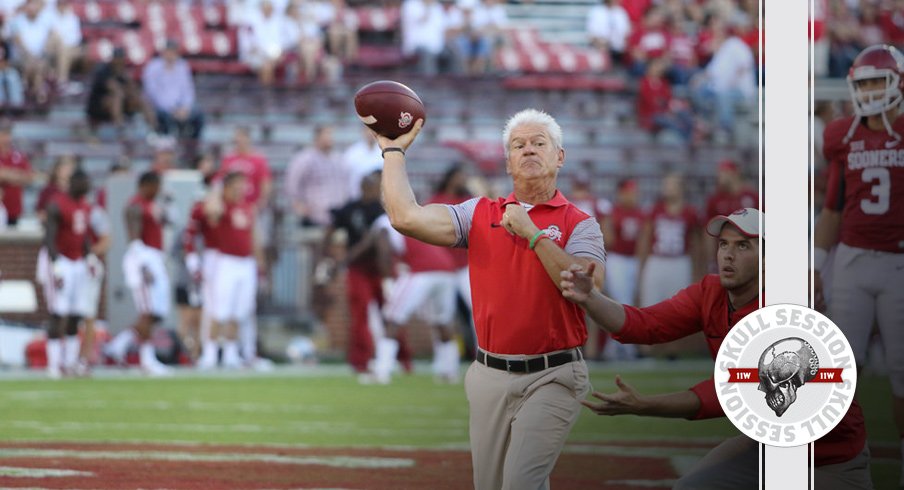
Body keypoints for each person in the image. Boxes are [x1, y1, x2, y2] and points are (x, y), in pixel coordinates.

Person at [562, 208, 873, 489]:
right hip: (768, 446)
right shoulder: (710, 291)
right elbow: (642, 325)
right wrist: (590, 297)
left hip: (829, 456)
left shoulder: (785, 308)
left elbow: (724, 396)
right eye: (724, 244)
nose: (728, 254)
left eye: (743, 246)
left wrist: (644, 404)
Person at [375, 108, 605, 489]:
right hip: (489, 374)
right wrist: (393, 152)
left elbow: (584, 288)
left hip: (554, 373)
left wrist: (532, 233)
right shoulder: (479, 213)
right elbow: (405, 217)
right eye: (519, 145)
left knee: (520, 484)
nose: (528, 150)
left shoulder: (580, 222)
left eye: (538, 143)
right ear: (508, 160)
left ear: (559, 156)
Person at [814, 43, 904, 488]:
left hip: (898, 263)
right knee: (838, 366)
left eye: (877, 82)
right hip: (850, 257)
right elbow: (832, 205)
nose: (870, 91)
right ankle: (839, 462)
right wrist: (816, 263)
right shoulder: (842, 135)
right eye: (864, 83)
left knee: (903, 375)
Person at [372, 212, 460, 384]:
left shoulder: (385, 221)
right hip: (447, 271)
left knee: (392, 318)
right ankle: (449, 371)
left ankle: (381, 371)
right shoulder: (418, 214)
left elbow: (384, 252)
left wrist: (387, 279)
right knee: (442, 322)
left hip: (421, 271)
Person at [319, 170, 391, 376]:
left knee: (393, 313)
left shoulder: (383, 210)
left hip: (381, 268)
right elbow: (330, 228)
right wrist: (327, 256)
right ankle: (361, 361)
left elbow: (378, 240)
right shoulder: (351, 209)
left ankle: (400, 358)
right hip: (359, 268)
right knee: (360, 313)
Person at [198, 172, 258, 369]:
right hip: (227, 262)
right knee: (220, 309)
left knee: (239, 311)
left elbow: (253, 235)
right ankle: (210, 353)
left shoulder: (248, 207)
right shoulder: (222, 205)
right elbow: (210, 212)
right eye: (237, 184)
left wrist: (260, 261)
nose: (241, 188)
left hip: (246, 263)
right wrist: (218, 190)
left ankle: (232, 352)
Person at [42, 169, 92, 378]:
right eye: (84, 182)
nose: (87, 186)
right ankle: (53, 364)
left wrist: (89, 258)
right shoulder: (57, 204)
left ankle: (70, 362)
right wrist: (56, 266)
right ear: (73, 183)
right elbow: (49, 237)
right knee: (58, 312)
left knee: (75, 314)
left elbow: (83, 235)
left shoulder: (84, 205)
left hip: (78, 261)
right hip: (61, 260)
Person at [122, 171, 172, 376]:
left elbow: (169, 221)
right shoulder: (135, 205)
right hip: (142, 258)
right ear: (146, 185)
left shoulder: (154, 204)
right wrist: (143, 265)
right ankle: (146, 359)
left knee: (157, 311)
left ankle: (118, 345)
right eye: (156, 185)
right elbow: (134, 238)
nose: (159, 190)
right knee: (147, 310)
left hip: (155, 257)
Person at [598, 178, 643, 361]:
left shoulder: (640, 213)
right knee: (622, 302)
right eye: (629, 192)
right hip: (617, 258)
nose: (632, 195)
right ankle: (627, 348)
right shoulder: (613, 212)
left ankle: (613, 348)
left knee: (629, 303)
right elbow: (608, 240)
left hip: (634, 259)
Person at [284, 124, 349, 227]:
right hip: (314, 215)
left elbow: (344, 183)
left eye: (330, 135)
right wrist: (298, 205)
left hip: (338, 213)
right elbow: (292, 185)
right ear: (317, 137)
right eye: (326, 135)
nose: (329, 138)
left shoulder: (338, 158)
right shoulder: (304, 159)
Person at [141, 39, 205, 142]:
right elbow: (152, 93)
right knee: (164, 118)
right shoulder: (153, 68)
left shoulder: (182, 66)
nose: (170, 54)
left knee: (198, 114)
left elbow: (188, 90)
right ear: (163, 52)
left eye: (173, 51)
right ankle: (167, 144)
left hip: (181, 107)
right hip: (160, 107)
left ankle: (193, 145)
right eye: (168, 51)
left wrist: (185, 107)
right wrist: (171, 109)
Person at [85, 47, 156, 138]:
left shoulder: (123, 72)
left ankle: (153, 129)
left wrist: (128, 81)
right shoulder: (103, 70)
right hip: (98, 107)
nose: (120, 61)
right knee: (117, 96)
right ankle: (120, 127)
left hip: (120, 105)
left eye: (122, 59)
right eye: (118, 59)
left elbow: (133, 90)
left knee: (140, 100)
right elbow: (114, 88)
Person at [0, 122, 32, 227]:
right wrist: (17, 175)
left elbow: (29, 177)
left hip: (14, 210)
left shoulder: (17, 155)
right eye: (3, 135)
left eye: (8, 135)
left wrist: (6, 174)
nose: (6, 139)